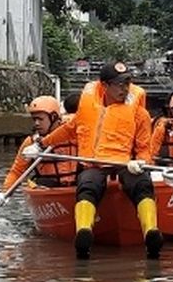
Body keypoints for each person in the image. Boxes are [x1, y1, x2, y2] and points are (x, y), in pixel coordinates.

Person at [27, 61, 160, 260]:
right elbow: (68, 130)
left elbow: (144, 147)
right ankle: (84, 232)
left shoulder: (139, 112)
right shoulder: (87, 108)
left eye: (127, 83)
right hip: (94, 164)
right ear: (105, 86)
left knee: (141, 183)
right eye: (119, 84)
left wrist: (141, 161)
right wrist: (41, 144)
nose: (125, 88)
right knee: (87, 185)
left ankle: (151, 232)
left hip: (126, 164)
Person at [0, 95, 77, 210]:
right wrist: (5, 192)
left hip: (76, 186)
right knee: (39, 183)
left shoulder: (73, 131)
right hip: (48, 189)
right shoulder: (30, 143)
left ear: (54, 117)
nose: (36, 123)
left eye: (40, 119)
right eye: (34, 119)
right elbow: (17, 171)